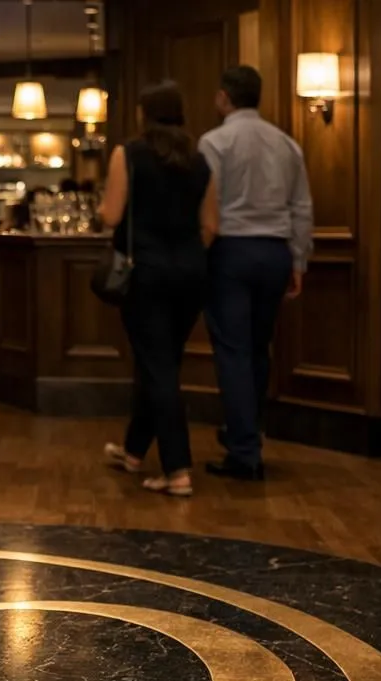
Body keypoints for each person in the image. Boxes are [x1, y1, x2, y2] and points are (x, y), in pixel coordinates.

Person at [98, 81, 219, 498]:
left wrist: (102, 207)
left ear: (142, 115)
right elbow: (211, 227)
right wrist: (183, 255)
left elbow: (112, 215)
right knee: (162, 362)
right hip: (191, 275)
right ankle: (133, 452)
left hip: (144, 274)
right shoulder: (200, 160)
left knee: (158, 368)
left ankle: (177, 469)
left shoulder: (128, 154)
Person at [197, 65, 313, 480]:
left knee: (232, 351)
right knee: (258, 349)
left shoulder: (214, 142)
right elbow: (301, 207)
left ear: (225, 97)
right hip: (275, 253)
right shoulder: (286, 144)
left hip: (231, 252)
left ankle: (244, 451)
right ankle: (245, 434)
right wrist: (298, 260)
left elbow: (208, 206)